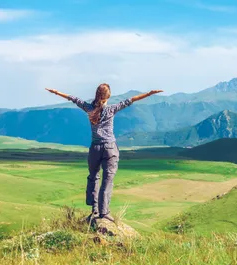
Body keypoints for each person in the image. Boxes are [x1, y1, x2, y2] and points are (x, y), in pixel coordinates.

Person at [45, 83, 163, 222]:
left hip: (95, 148)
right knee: (107, 180)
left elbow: (73, 98)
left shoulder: (88, 108)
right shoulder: (112, 109)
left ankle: (94, 208)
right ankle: (104, 212)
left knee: (93, 177)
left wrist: (56, 92)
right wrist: (149, 93)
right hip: (110, 148)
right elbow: (131, 100)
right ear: (109, 96)